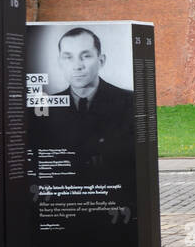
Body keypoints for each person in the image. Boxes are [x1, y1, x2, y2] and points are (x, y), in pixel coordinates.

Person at [47, 26, 135, 173]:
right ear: (60, 62)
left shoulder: (129, 101)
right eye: (68, 57)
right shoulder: (47, 106)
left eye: (86, 56)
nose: (77, 66)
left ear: (101, 61)